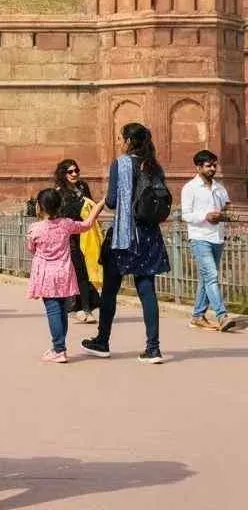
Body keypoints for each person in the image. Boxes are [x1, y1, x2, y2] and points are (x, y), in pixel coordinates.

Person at [81, 123, 171, 364]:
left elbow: (111, 201)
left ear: (129, 141)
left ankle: (102, 340)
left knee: (110, 291)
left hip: (124, 236)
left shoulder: (121, 163)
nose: (119, 141)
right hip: (149, 236)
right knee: (147, 291)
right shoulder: (153, 165)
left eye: (121, 138)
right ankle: (153, 348)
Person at [25, 189, 106, 363]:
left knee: (53, 310)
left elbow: (31, 249)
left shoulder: (35, 228)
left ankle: (59, 349)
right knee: (62, 310)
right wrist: (99, 205)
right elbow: (87, 225)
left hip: (46, 274)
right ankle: (58, 346)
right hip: (64, 272)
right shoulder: (66, 224)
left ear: (40, 206)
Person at [182, 150, 235, 332]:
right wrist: (206, 216)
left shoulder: (220, 188)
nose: (212, 168)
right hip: (199, 237)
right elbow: (186, 215)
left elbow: (227, 209)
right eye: (208, 165)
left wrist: (223, 215)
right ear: (198, 167)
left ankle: (197, 316)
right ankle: (222, 315)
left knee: (207, 278)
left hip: (217, 237)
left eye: (214, 165)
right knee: (211, 275)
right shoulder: (190, 188)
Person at [53, 159, 102, 323]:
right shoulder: (59, 192)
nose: (74, 174)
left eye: (76, 171)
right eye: (70, 171)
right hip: (69, 237)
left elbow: (90, 207)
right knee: (74, 273)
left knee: (83, 272)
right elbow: (61, 215)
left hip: (84, 234)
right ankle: (78, 308)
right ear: (63, 174)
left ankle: (84, 307)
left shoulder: (82, 187)